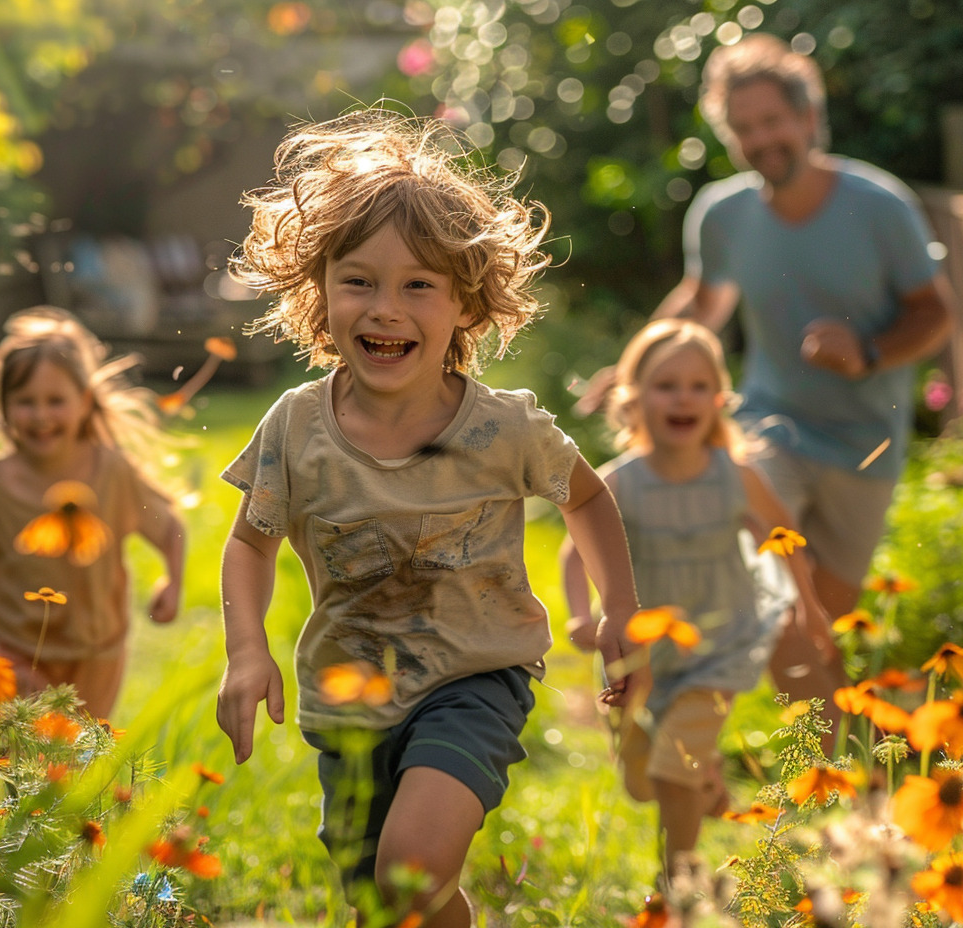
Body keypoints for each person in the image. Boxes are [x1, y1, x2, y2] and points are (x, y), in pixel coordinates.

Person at [214, 108, 645, 928]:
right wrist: (246, 651)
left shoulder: (504, 428)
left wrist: (621, 610)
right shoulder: (297, 428)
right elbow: (249, 543)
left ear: (466, 306)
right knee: (387, 901)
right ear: (321, 291)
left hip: (473, 679)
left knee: (411, 867)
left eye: (418, 285)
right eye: (359, 281)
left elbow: (585, 495)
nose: (385, 308)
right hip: (350, 697)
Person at [580, 33, 954, 693]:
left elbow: (935, 312)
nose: (761, 139)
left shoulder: (879, 205)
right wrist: (636, 369)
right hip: (769, 424)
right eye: (744, 128)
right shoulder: (722, 215)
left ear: (809, 118)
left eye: (773, 121)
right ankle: (685, 709)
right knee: (773, 585)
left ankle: (823, 759)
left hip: (864, 445)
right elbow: (702, 302)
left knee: (818, 627)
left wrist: (866, 352)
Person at [562, 319, 833, 879]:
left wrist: (809, 607)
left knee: (670, 767)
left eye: (696, 386)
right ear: (633, 400)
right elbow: (572, 552)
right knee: (642, 781)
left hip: (719, 644)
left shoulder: (737, 477)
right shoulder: (618, 482)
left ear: (717, 400)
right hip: (639, 657)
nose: (682, 398)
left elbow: (785, 538)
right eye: (666, 386)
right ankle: (706, 781)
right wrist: (580, 614)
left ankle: (679, 883)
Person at [0, 307, 185, 719]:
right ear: (4, 406)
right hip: (17, 651)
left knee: (76, 761)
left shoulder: (111, 472)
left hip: (97, 652)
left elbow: (168, 525)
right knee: (22, 759)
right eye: (26, 402)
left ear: (84, 403)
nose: (42, 416)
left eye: (55, 401)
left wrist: (172, 581)